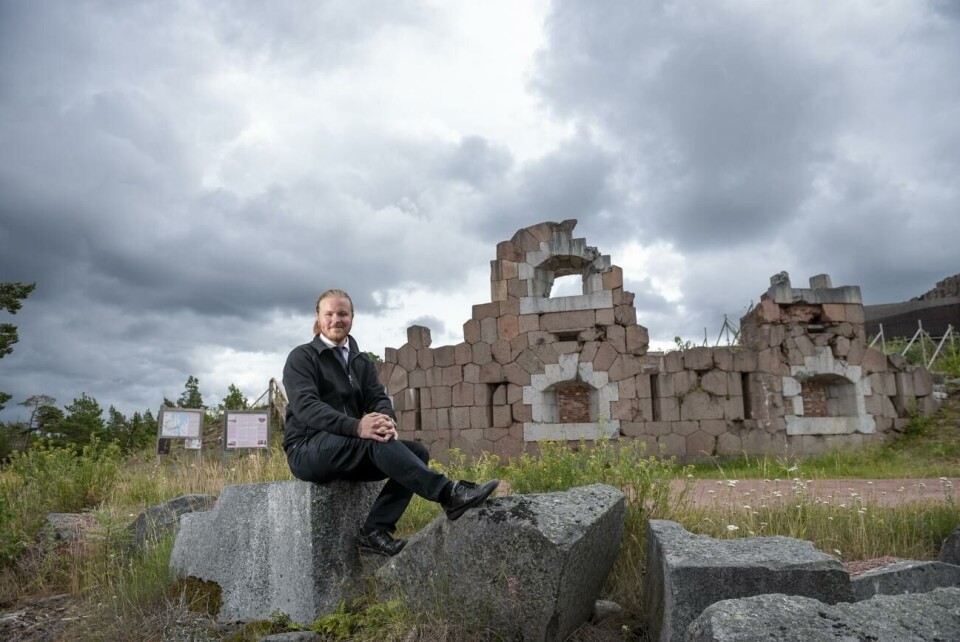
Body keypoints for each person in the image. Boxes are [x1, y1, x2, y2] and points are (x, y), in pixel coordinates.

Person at [282, 288, 500, 557]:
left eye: (342, 314)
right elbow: (306, 407)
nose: (336, 319)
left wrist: (387, 422)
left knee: (416, 451)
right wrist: (357, 427)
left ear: (352, 317)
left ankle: (374, 532)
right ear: (318, 318)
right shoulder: (302, 357)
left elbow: (378, 398)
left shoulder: (361, 361)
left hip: (347, 447)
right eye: (329, 314)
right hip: (307, 448)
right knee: (374, 443)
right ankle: (448, 494)